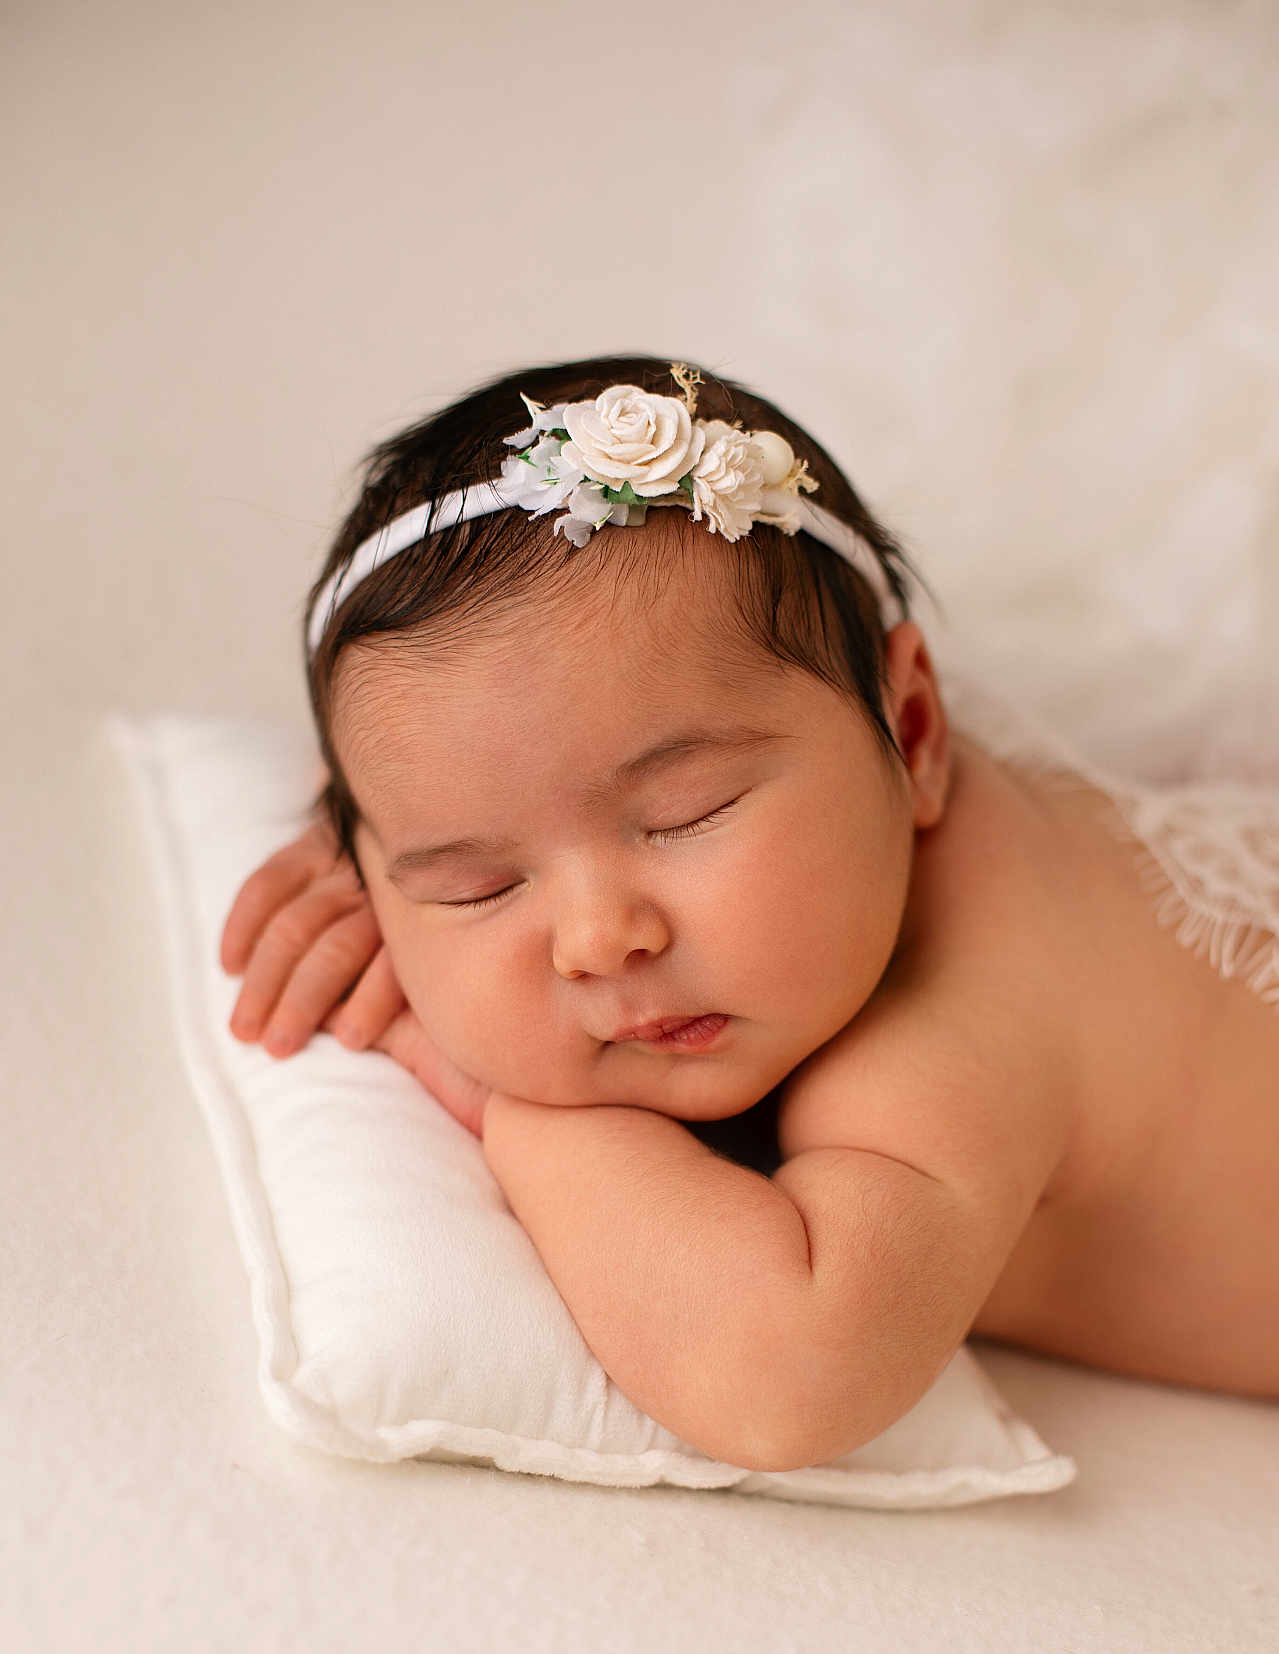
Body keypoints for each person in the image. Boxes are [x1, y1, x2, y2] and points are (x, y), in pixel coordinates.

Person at [219, 354, 1279, 1469]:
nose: (595, 939)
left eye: (684, 815)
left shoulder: (957, 1017)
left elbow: (787, 1378)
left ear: (913, 732)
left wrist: (518, 1111)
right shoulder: (813, 828)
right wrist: (379, 847)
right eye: (475, 881)